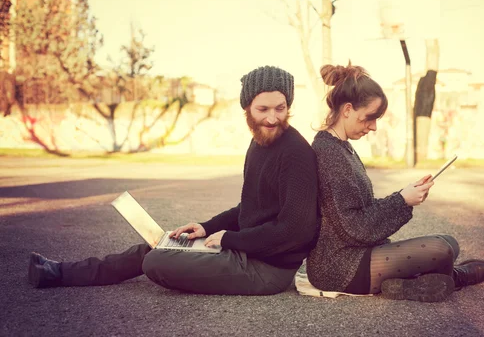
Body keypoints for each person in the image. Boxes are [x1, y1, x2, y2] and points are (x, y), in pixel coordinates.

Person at [29, 65, 320, 296]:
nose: (272, 118)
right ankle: (59, 272)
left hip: (266, 270)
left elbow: (295, 229)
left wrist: (231, 238)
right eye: (263, 109)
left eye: (279, 108)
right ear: (247, 109)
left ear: (288, 106)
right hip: (246, 249)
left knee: (157, 261)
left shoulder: (295, 153)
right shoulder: (259, 143)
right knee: (160, 243)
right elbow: (251, 207)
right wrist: (207, 227)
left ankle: (66, 272)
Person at [306, 63, 484, 302]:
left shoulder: (342, 148)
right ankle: (453, 277)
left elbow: (362, 209)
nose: (373, 127)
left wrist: (406, 194)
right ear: (348, 110)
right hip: (341, 266)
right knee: (441, 250)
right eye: (369, 118)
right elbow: (355, 227)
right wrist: (403, 200)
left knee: (450, 242)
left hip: (358, 253)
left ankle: (403, 285)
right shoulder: (328, 152)